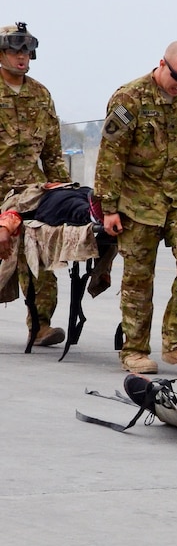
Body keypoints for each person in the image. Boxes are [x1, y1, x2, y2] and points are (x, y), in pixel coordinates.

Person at [95, 41, 177, 375]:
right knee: (139, 276)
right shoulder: (129, 99)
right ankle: (135, 350)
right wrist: (108, 207)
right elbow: (111, 155)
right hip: (136, 195)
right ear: (162, 64)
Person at [0, 22, 71, 346]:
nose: (22, 57)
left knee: (39, 258)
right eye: (15, 50)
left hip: (31, 193)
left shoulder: (41, 95)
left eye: (27, 51)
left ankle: (41, 325)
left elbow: (53, 153)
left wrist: (64, 192)